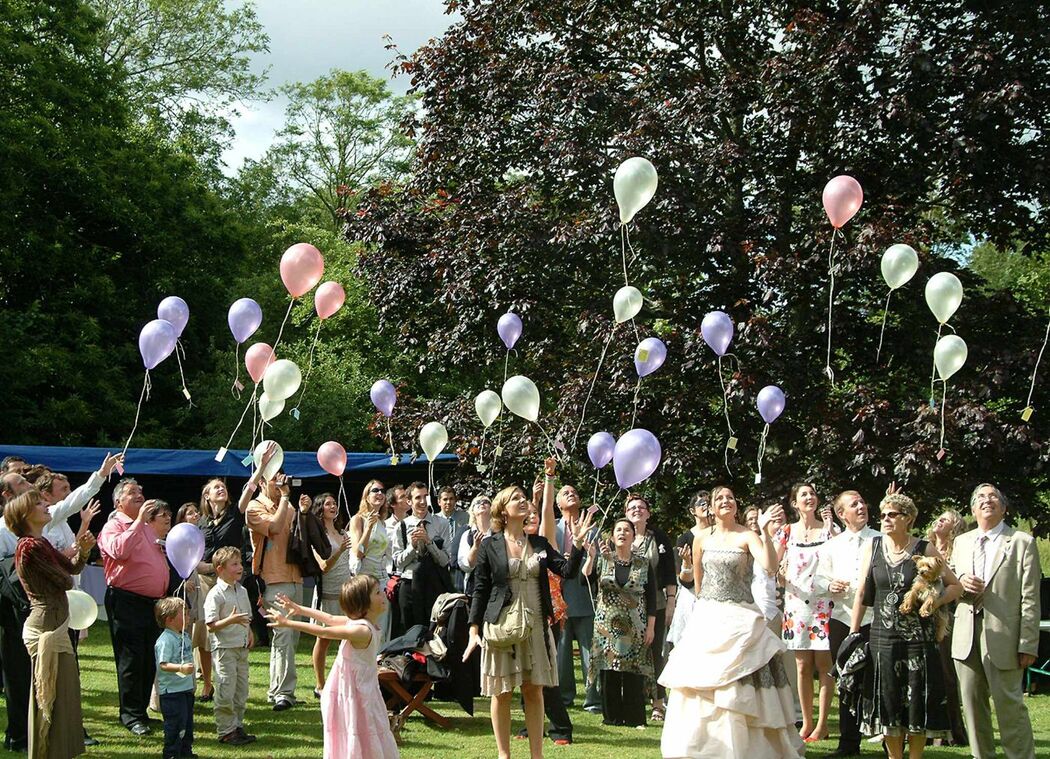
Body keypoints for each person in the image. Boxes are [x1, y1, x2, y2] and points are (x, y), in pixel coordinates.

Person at [661, 485, 802, 758]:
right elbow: (699, 586)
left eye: (730, 498)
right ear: (712, 508)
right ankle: (700, 746)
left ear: (736, 505)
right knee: (700, 681)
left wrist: (764, 533)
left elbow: (771, 567)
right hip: (709, 616)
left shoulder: (747, 535)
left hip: (742, 615)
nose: (726, 501)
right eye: (719, 499)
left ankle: (753, 745)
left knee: (741, 677)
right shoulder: (700, 539)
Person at [462, 485, 590, 759]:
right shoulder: (490, 545)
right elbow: (481, 589)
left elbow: (566, 571)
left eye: (523, 497)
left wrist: (577, 545)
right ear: (502, 510)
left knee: (534, 690)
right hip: (501, 625)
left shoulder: (540, 544)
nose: (522, 501)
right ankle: (503, 754)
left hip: (536, 626)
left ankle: (536, 755)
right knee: (502, 692)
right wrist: (474, 629)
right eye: (515, 499)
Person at [849, 493, 961, 759]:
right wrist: (854, 632)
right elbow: (863, 592)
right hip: (882, 638)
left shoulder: (924, 549)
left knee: (916, 702)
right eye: (883, 514)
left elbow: (955, 586)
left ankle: (916, 757)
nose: (886, 519)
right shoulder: (873, 547)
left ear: (908, 519)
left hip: (918, 640)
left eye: (892, 514)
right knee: (887, 700)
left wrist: (934, 602)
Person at [950, 484, 1040, 759]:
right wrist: (961, 582)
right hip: (965, 634)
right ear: (973, 509)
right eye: (980, 498)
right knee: (973, 709)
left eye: (993, 497)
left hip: (1006, 637)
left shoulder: (1022, 541)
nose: (986, 501)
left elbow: (1030, 597)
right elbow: (950, 583)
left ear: (1004, 508)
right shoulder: (962, 542)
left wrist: (1027, 643)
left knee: (1009, 707)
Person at [267, 575, 399, 759]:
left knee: (368, 730)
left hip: (363, 691)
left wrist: (299, 609)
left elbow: (328, 618)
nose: (383, 594)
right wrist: (289, 623)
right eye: (377, 593)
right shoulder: (361, 630)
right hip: (349, 694)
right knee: (355, 731)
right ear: (363, 604)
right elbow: (325, 629)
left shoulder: (365, 625)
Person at [8, 488, 96, 758]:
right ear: (25, 515)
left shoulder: (41, 543)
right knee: (49, 699)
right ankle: (47, 752)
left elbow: (72, 569)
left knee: (62, 697)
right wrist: (72, 561)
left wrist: (82, 551)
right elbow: (66, 579)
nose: (46, 505)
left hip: (55, 625)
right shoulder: (30, 546)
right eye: (38, 503)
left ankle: (58, 751)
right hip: (45, 628)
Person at [98, 478, 171, 736]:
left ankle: (141, 712)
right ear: (119, 501)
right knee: (131, 659)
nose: (140, 494)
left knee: (148, 658)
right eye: (132, 492)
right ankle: (131, 716)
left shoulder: (147, 528)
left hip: (150, 603)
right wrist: (139, 521)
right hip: (126, 600)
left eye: (141, 490)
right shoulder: (113, 526)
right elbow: (120, 551)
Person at [814, 489, 879, 757]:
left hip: (876, 619)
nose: (861, 507)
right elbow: (818, 580)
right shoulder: (831, 545)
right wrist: (830, 584)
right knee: (847, 682)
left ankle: (889, 740)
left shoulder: (881, 539)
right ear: (841, 514)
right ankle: (849, 744)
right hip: (842, 618)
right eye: (854, 505)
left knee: (879, 681)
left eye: (862, 502)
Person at [777, 482, 838, 743]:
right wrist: (779, 573)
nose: (810, 497)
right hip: (796, 604)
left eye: (813, 493)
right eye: (804, 494)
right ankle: (807, 722)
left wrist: (831, 530)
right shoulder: (786, 532)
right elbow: (773, 567)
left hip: (824, 604)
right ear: (794, 503)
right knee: (802, 666)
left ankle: (823, 724)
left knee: (825, 665)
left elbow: (840, 560)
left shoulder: (829, 531)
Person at [586, 518, 656, 727]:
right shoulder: (603, 559)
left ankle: (635, 717)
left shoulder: (643, 563)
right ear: (612, 535)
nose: (622, 533)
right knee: (609, 670)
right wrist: (590, 559)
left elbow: (651, 597)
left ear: (634, 536)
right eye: (618, 530)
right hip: (606, 626)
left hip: (635, 624)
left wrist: (651, 627)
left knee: (633, 669)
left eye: (627, 530)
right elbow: (585, 580)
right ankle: (612, 717)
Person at [246, 472, 306, 712]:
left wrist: (302, 509)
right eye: (274, 479)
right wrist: (284, 498)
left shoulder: (287, 504)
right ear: (261, 482)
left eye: (282, 480)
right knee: (282, 637)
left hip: (295, 576)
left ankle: (280, 690)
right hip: (273, 578)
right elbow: (275, 526)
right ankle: (283, 693)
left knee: (292, 638)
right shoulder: (254, 506)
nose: (281, 484)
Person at [624, 493, 676, 722]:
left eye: (641, 507)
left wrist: (672, 600)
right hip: (626, 607)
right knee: (629, 653)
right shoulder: (620, 535)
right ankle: (632, 702)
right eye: (632, 507)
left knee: (655, 654)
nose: (637, 510)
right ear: (626, 514)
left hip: (657, 604)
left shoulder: (659, 538)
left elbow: (668, 571)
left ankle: (657, 703)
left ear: (648, 513)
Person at [551, 483, 601, 714]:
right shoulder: (553, 528)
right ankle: (564, 696)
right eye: (565, 493)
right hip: (559, 597)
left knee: (589, 650)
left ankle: (593, 699)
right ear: (558, 503)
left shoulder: (593, 530)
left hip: (584, 596)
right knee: (561, 652)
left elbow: (599, 563)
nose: (571, 494)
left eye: (574, 492)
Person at [923, 507, 968, 746]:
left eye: (947, 520)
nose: (940, 521)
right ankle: (927, 730)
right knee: (927, 674)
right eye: (939, 517)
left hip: (947, 617)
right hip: (924, 617)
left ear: (955, 527)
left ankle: (953, 731)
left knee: (946, 675)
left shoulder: (958, 551)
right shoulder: (925, 548)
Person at [204, 546, 256, 747]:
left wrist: (249, 631)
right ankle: (226, 730)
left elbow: (246, 618)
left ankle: (237, 725)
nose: (240, 567)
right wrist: (230, 620)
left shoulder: (241, 590)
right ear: (220, 569)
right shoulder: (215, 594)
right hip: (225, 648)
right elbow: (211, 625)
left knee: (241, 690)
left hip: (241, 647)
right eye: (234, 564)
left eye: (240, 563)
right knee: (226, 688)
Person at [391, 481, 452, 635]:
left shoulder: (441, 523)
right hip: (409, 583)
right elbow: (398, 562)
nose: (423, 501)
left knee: (433, 630)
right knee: (410, 630)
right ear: (409, 501)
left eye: (426, 496)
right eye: (418, 498)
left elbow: (445, 560)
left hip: (434, 583)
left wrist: (429, 543)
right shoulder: (402, 526)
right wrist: (412, 546)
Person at [312, 491, 353, 695]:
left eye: (334, 503)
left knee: (348, 638)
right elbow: (323, 566)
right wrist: (339, 550)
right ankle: (320, 684)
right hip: (328, 591)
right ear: (320, 509)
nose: (333, 506)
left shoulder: (342, 532)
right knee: (324, 637)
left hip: (346, 592)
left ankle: (343, 681)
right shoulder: (318, 535)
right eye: (328, 504)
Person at [348, 480, 390, 643]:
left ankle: (379, 663)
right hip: (365, 579)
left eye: (382, 490)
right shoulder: (358, 519)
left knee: (382, 625)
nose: (380, 493)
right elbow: (358, 552)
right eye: (375, 490)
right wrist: (368, 529)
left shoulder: (382, 522)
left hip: (382, 579)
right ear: (366, 496)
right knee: (366, 624)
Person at [154, 597, 195, 759]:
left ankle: (186, 752)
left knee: (187, 724)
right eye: (183, 614)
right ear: (169, 619)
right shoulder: (165, 640)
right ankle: (171, 754)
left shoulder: (184, 636)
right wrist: (180, 668)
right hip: (171, 692)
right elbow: (163, 665)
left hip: (185, 689)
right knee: (175, 725)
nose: (188, 617)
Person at [668, 491, 710, 648]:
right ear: (693, 511)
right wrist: (687, 562)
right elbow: (685, 581)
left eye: (709, 502)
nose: (707, 506)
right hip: (693, 597)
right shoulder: (685, 539)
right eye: (702, 503)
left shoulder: (720, 534)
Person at [456, 493, 493, 595]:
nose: (481, 504)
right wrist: (476, 547)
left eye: (486, 502)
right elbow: (466, 566)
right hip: (474, 589)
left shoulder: (499, 533)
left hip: (496, 587)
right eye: (477, 503)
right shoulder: (467, 535)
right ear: (472, 511)